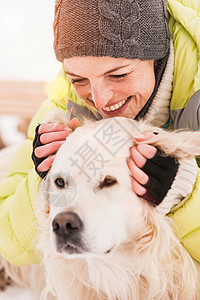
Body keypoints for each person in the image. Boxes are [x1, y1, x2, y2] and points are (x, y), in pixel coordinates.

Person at [0, 0, 200, 266]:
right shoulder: (66, 107)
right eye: (79, 79)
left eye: (117, 75)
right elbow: (11, 242)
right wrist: (47, 182)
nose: (100, 100)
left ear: (157, 56)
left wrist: (184, 192)